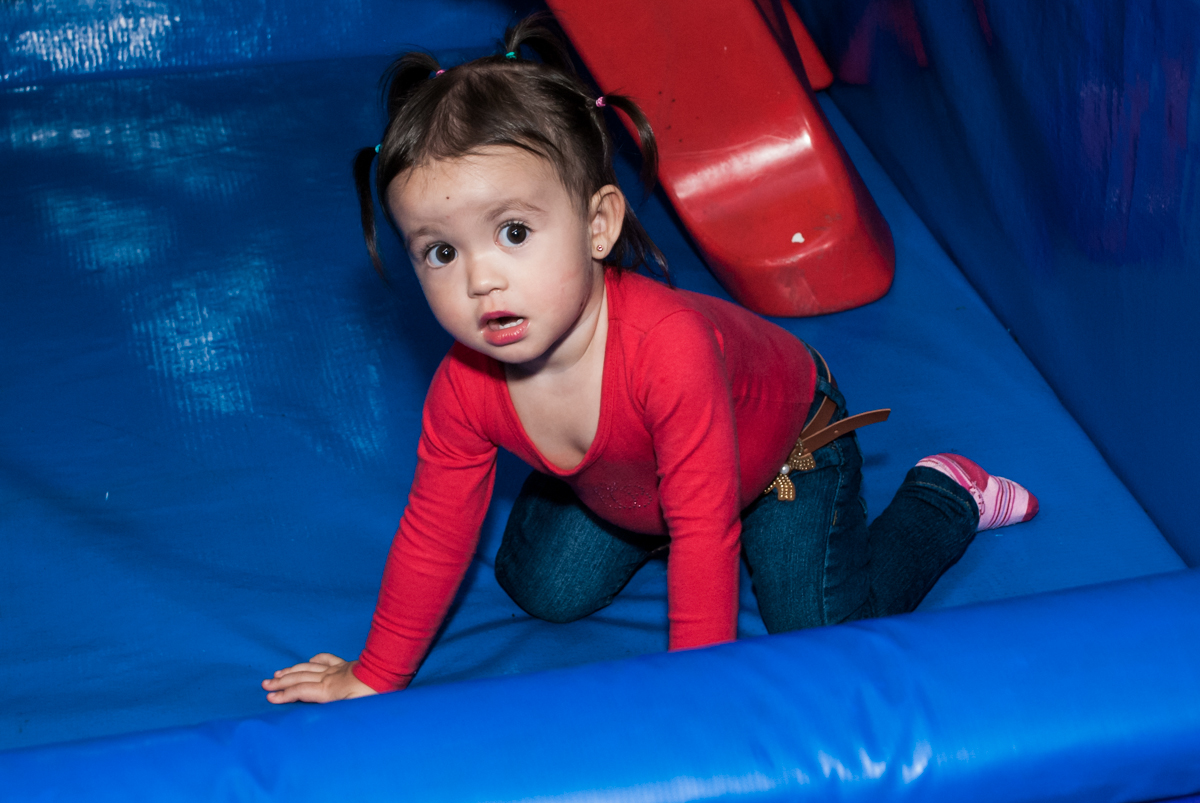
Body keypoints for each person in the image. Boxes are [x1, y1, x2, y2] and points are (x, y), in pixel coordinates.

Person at [262, 15, 1037, 704]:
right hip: (636, 480)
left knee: (818, 629)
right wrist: (374, 673)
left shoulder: (666, 350)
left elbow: (703, 526)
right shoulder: (463, 387)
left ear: (599, 226)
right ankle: (632, 502)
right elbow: (435, 529)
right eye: (439, 250)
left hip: (783, 449)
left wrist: (692, 693)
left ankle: (945, 494)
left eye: (515, 233)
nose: (480, 278)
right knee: (541, 589)